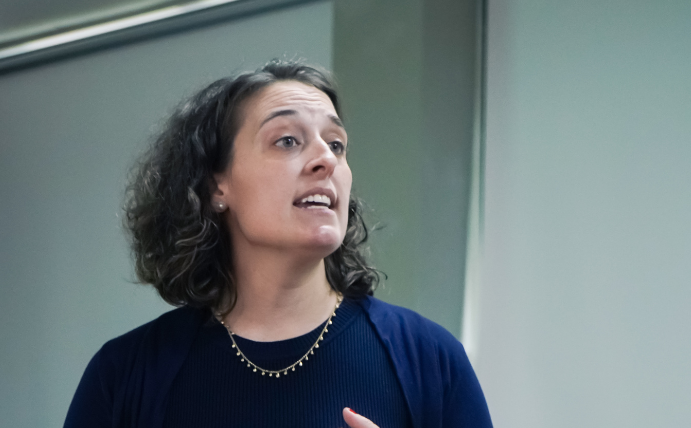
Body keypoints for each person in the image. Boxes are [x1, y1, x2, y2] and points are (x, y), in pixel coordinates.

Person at [63, 59, 492, 428]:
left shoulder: (431, 360)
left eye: (336, 144)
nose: (326, 159)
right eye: (287, 140)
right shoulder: (125, 374)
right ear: (216, 186)